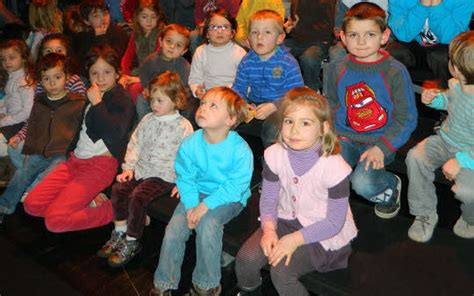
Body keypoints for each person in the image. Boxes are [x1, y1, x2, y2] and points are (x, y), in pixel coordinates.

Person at [235, 87, 357, 296]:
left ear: (323, 128)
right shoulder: (275, 154)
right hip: (283, 220)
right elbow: (270, 198)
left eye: (305, 123)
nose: (294, 131)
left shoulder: (335, 167)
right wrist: (269, 229)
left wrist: (294, 239)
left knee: (281, 272)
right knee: (246, 259)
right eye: (289, 121)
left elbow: (334, 223)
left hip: (322, 232)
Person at [150, 87, 253, 296]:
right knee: (173, 231)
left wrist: (204, 207)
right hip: (196, 195)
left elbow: (236, 187)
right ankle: (163, 284)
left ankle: (206, 285)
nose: (203, 108)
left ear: (231, 119)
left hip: (229, 198)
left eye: (213, 106)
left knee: (209, 223)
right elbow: (185, 177)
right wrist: (190, 206)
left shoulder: (240, 149)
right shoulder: (190, 143)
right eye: (203, 103)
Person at [23, 44, 135, 233]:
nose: (100, 78)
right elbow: (81, 130)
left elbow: (115, 135)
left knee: (55, 221)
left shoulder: (121, 100)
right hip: (75, 161)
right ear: (88, 75)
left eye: (107, 72)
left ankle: (123, 209)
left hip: (99, 165)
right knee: (31, 204)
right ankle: (85, 202)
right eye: (94, 73)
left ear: (117, 73)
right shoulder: (90, 96)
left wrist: (98, 102)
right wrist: (69, 155)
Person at [325, 3, 417, 219]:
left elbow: (407, 117)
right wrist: (328, 132)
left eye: (370, 34)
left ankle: (390, 187)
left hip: (379, 140)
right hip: (344, 137)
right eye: (354, 35)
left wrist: (382, 147)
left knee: (362, 184)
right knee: (327, 173)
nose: (361, 41)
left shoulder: (394, 71)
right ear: (343, 38)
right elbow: (330, 101)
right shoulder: (338, 66)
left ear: (384, 36)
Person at [97, 71, 194, 267]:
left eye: (160, 100)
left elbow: (189, 157)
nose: (154, 105)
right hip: (141, 169)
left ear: (175, 101)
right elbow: (135, 143)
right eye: (152, 99)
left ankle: (132, 241)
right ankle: (119, 232)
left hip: (164, 175)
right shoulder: (148, 119)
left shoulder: (183, 126)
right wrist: (129, 167)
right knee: (119, 189)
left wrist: (183, 180)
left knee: (138, 196)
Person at [0, 53, 86, 222]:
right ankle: (5, 205)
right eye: (46, 79)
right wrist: (19, 137)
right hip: (40, 150)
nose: (52, 83)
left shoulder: (77, 102)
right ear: (41, 81)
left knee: (49, 176)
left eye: (57, 77)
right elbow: (31, 123)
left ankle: (46, 203)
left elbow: (84, 129)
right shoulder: (40, 101)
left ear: (67, 77)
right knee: (23, 172)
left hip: (62, 152)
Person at [406, 31, 474, 242]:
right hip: (446, 140)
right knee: (415, 157)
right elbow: (449, 101)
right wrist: (435, 100)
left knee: (467, 192)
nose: (449, 64)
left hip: (470, 155)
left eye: (452, 61)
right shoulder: (456, 84)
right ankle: (424, 212)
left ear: (460, 68)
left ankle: (471, 219)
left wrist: (461, 161)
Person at [232, 9, 304, 148]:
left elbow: (298, 95)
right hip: (253, 104)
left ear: (280, 38)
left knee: (272, 129)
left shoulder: (287, 62)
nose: (259, 37)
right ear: (248, 38)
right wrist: (242, 103)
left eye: (267, 32)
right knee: (229, 120)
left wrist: (274, 106)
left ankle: (271, 165)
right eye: (254, 32)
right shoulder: (247, 61)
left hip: (281, 106)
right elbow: (238, 88)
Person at [387, 0, 474, 88]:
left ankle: (447, 96)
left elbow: (451, 38)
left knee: (440, 56)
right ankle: (397, 96)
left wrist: (436, 5)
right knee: (394, 52)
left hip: (445, 47)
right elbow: (403, 35)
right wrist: (422, 5)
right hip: (412, 43)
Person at [135, 24, 191, 121]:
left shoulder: (184, 66)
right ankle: (144, 123)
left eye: (178, 45)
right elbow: (144, 73)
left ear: (183, 51)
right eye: (168, 41)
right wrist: (146, 88)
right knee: (141, 100)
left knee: (187, 107)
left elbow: (185, 88)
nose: (172, 46)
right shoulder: (151, 60)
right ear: (160, 42)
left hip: (172, 99)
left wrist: (176, 99)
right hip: (154, 96)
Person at [188, 8, 246, 99]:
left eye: (225, 27)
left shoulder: (239, 53)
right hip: (208, 95)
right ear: (207, 33)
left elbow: (244, 81)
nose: (219, 31)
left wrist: (228, 92)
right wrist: (197, 90)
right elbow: (195, 78)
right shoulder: (200, 52)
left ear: (232, 33)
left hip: (232, 96)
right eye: (214, 27)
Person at [283, 0, 336, 92]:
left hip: (319, 41)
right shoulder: (296, 2)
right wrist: (289, 25)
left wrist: (295, 29)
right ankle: (283, 88)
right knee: (277, 50)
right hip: (298, 39)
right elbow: (294, 21)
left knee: (308, 59)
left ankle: (312, 89)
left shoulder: (326, 2)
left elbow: (326, 29)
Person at [119, 0, 166, 104]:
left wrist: (139, 79)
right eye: (144, 17)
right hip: (141, 72)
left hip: (158, 75)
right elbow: (127, 57)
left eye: (153, 17)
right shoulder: (136, 34)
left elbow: (157, 62)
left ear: (158, 18)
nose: (149, 21)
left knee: (134, 90)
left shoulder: (162, 35)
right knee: (122, 87)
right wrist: (124, 75)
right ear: (137, 17)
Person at [73, 0, 129, 76]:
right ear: (86, 21)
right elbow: (82, 64)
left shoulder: (119, 33)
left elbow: (113, 61)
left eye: (105, 14)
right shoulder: (84, 37)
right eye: (96, 16)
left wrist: (101, 37)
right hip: (90, 76)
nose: (103, 18)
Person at [0, 39, 35, 157]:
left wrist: (7, 120)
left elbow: (28, 110)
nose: (7, 62)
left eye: (12, 57)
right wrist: (2, 112)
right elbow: (9, 99)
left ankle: (15, 151)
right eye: (3, 59)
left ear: (24, 58)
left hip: (19, 123)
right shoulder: (12, 78)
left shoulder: (24, 81)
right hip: (11, 119)